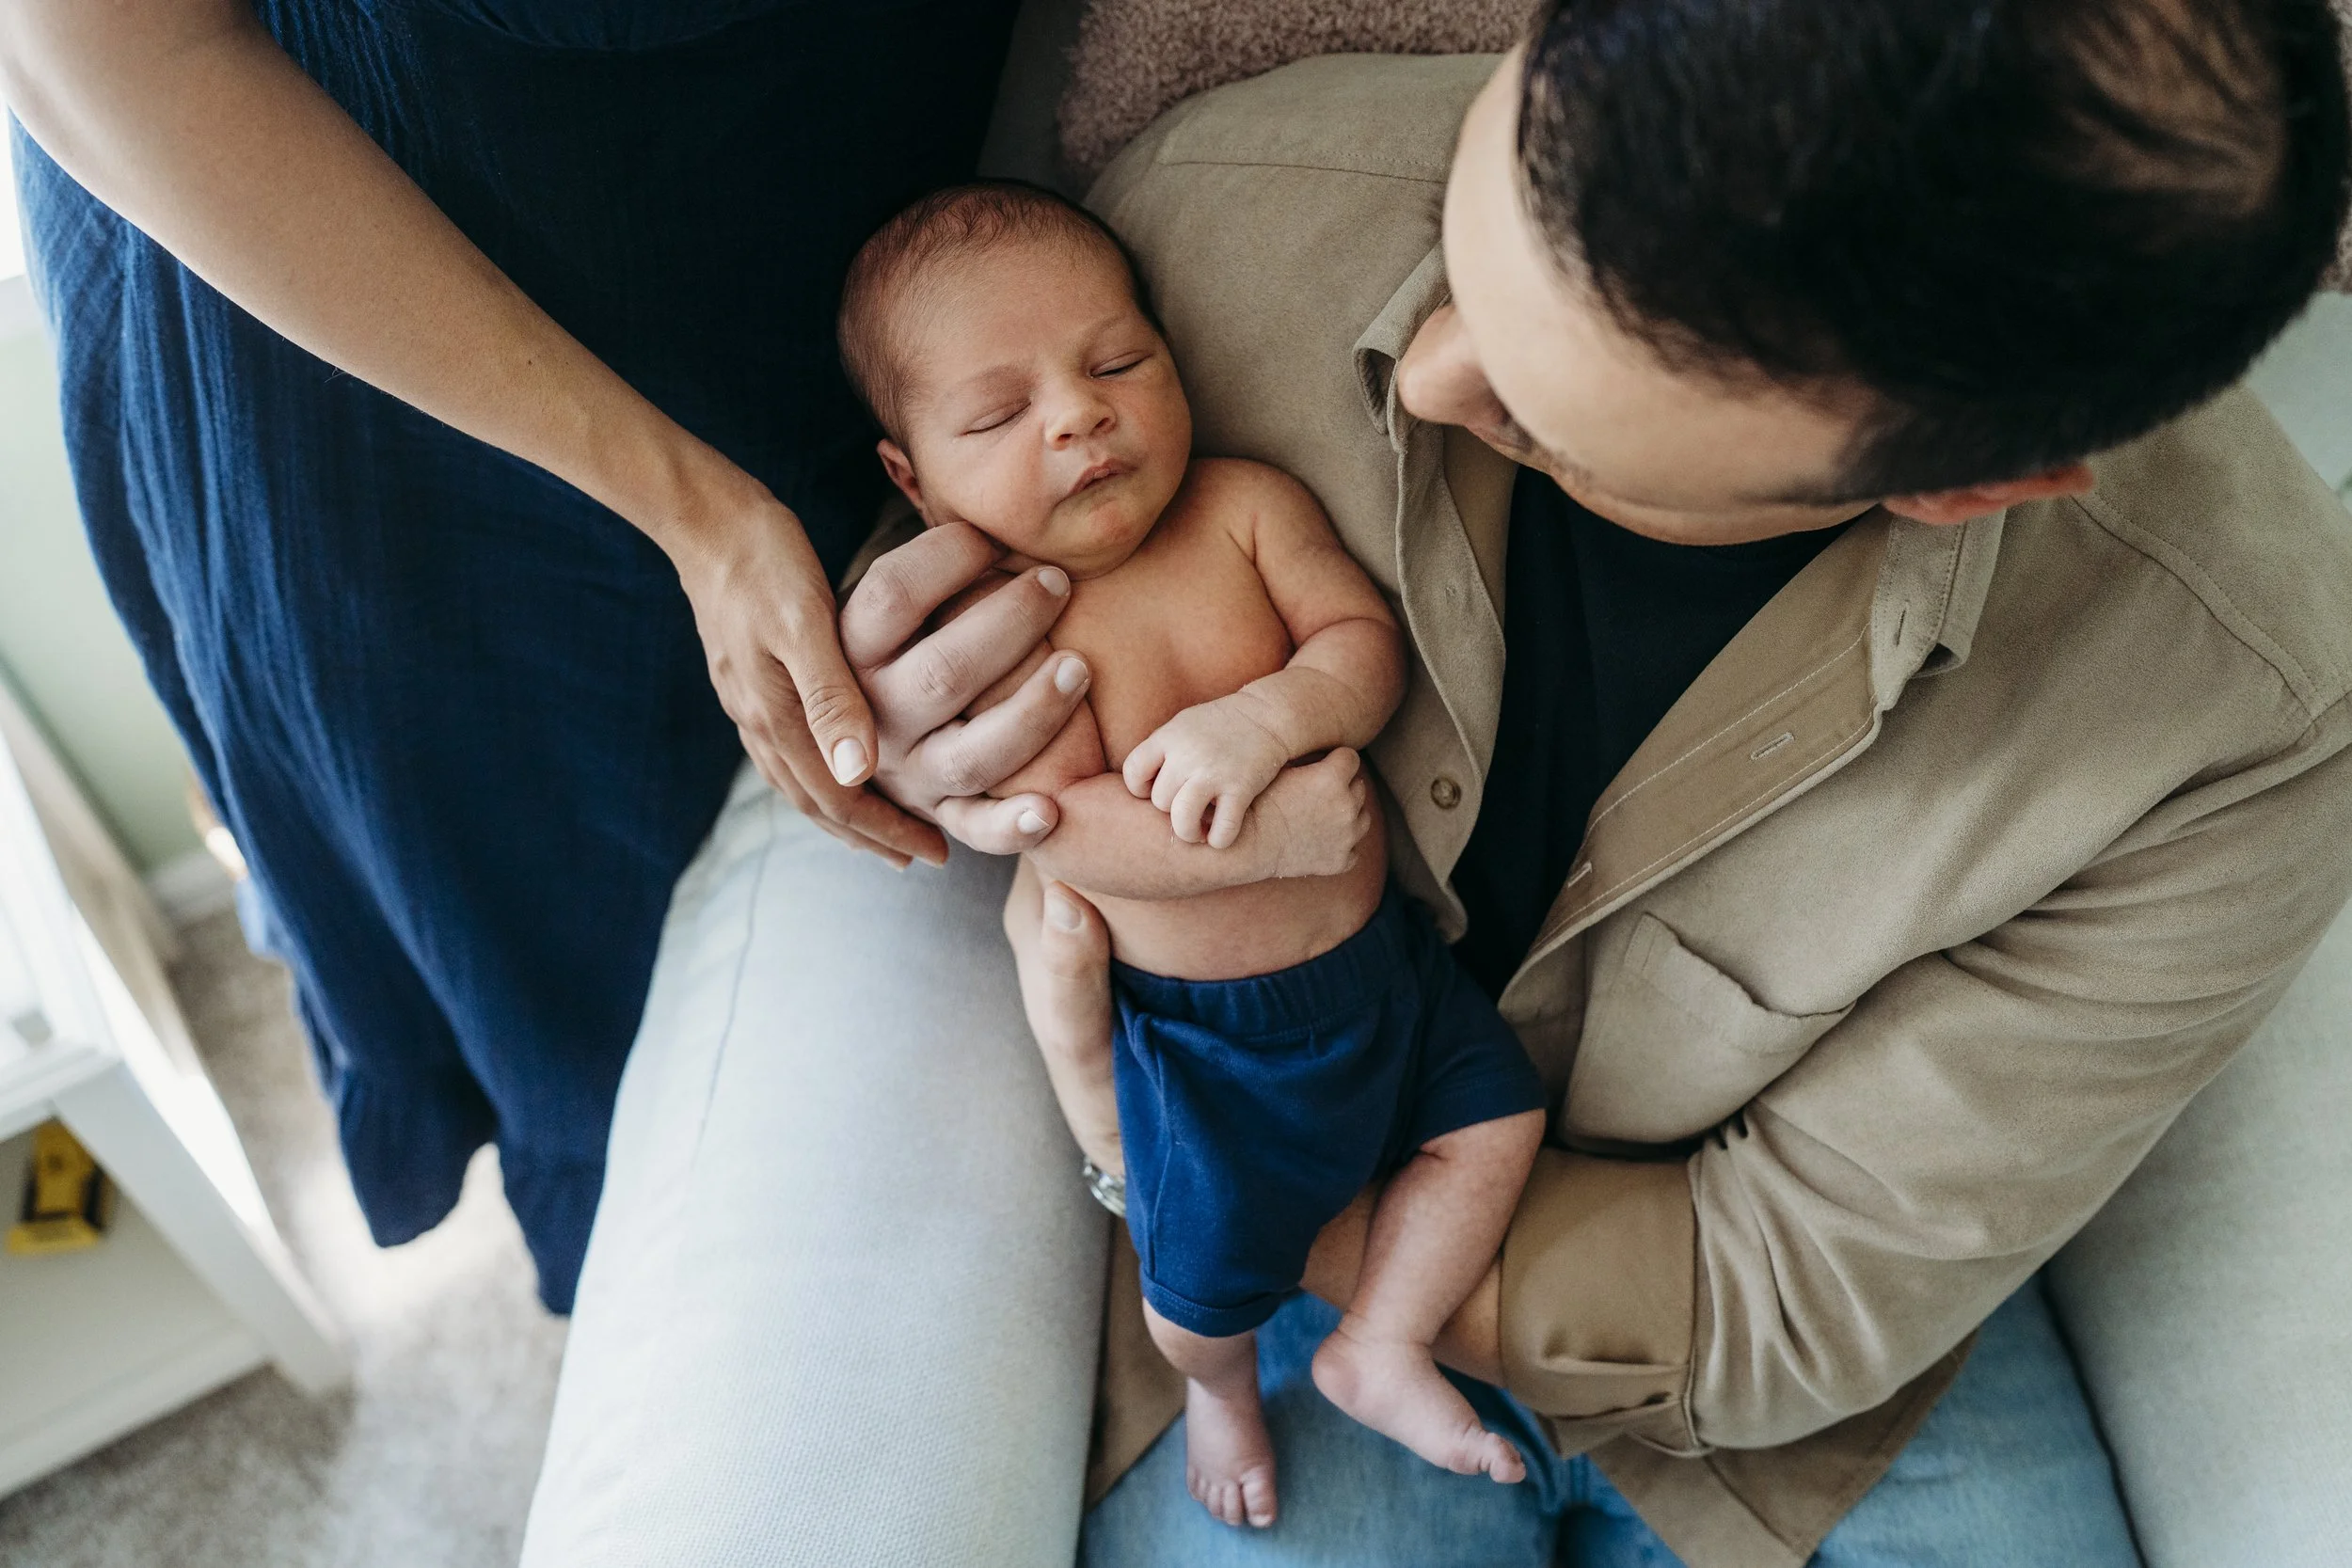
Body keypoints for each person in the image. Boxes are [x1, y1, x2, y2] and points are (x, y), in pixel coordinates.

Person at [826, 1, 2352, 1561]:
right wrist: (914, 701)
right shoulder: (1223, 209)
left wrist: (1170, 1165)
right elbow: (956, 505)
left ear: (1956, 486)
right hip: (1253, 1271)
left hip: (1716, 1372)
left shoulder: (2248, 707)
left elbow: (1782, 1309)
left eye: (1550, 423)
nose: (1424, 381)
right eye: (1483, 250)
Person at [0, 0, 1027, 1308]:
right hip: (350, 302)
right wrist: (695, 514)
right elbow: (82, 43)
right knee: (509, 892)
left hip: (775, 199)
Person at [835, 182, 1549, 1526]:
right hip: (1208, 1048)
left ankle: (1378, 1340)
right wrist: (1267, 842)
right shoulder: (1004, 630)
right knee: (1195, 1291)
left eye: (1118, 362)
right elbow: (1065, 830)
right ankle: (1223, 1389)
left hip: (1386, 977)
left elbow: (1362, 647)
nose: (1078, 413)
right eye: (998, 414)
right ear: (913, 475)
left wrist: (1270, 713)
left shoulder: (1244, 507)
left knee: (1497, 1116)